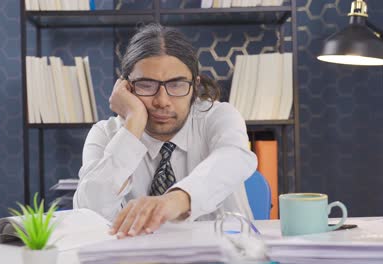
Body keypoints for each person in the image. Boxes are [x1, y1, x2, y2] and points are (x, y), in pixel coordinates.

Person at [73, 23, 257, 239]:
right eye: (146, 85)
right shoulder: (105, 134)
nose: (162, 101)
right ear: (126, 88)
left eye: (177, 84)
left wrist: (174, 201)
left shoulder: (218, 117)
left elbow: (234, 158)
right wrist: (133, 125)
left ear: (195, 86)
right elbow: (89, 214)